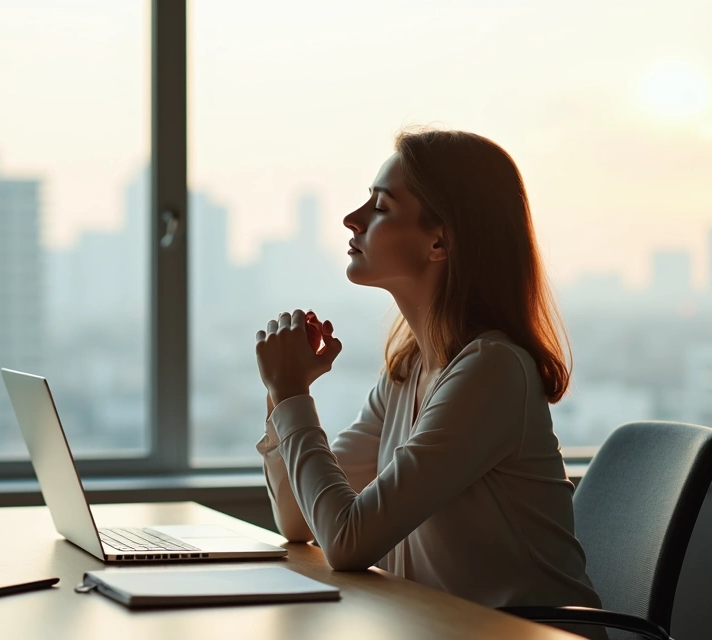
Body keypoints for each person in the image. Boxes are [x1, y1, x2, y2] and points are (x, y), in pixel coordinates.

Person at [253, 129, 603, 613]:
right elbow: (299, 522)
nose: (351, 219)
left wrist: (293, 395)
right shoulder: (409, 371)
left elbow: (347, 542)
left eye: (380, 208)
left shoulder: (490, 371)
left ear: (439, 242)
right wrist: (280, 395)